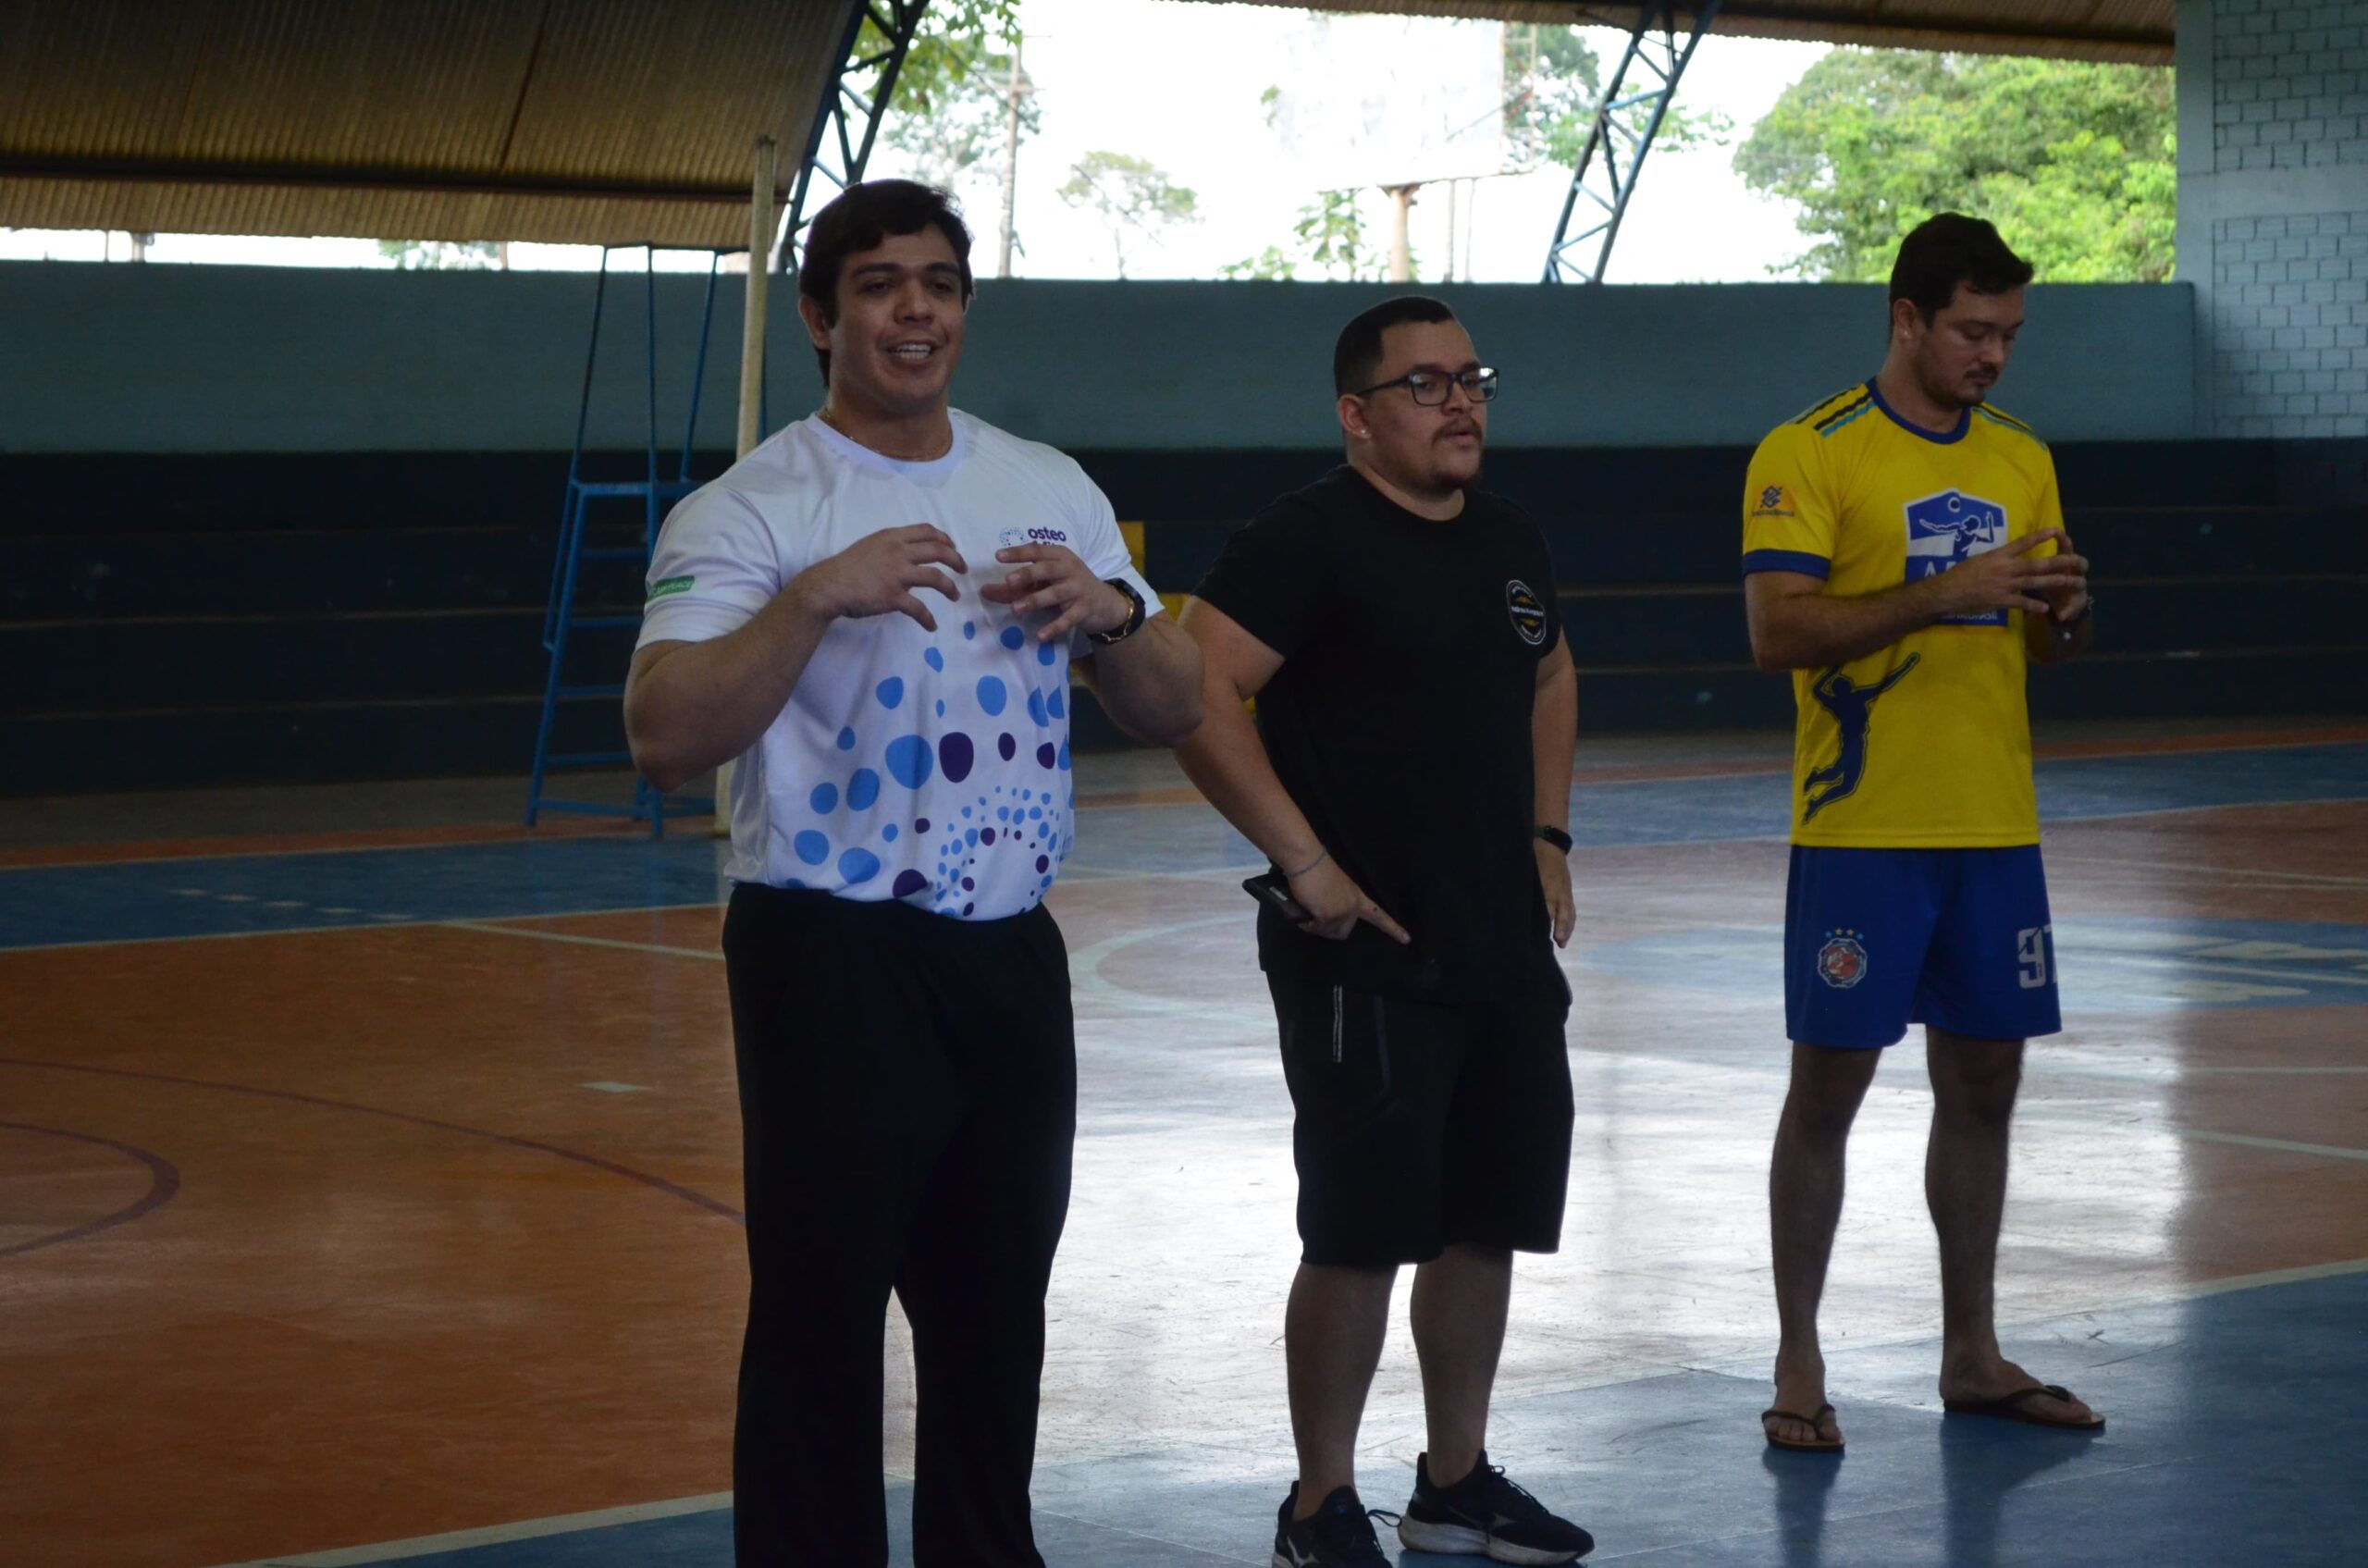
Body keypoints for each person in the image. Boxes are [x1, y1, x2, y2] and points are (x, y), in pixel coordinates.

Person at [622, 179, 1202, 1567]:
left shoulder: (1046, 484)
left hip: (1007, 954)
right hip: (829, 954)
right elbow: (660, 733)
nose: (915, 309)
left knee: (999, 1309)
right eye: (880, 284)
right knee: (821, 1321)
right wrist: (813, 596)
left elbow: (1176, 703)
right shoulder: (750, 507)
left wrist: (1115, 612)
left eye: (938, 282)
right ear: (822, 318)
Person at [1176, 296, 1594, 1567]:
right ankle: (1319, 1504)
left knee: (1487, 1216)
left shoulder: (1511, 537)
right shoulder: (1304, 542)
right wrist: (1302, 861)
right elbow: (1196, 687)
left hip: (1502, 946)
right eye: (1425, 385)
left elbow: (1553, 672)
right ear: (1358, 417)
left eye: (1472, 378)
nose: (1460, 401)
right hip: (1365, 952)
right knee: (1359, 1230)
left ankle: (1455, 1483)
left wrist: (1548, 834)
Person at [1740, 213, 2100, 1454]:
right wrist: (1945, 592)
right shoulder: (1811, 449)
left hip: (1995, 823)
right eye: (1970, 331)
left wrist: (2061, 611)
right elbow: (1778, 632)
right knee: (1829, 1089)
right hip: (1861, 830)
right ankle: (1798, 1358)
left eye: (2007, 335)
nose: (1992, 355)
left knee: (1988, 1082)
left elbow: (2047, 642)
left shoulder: (2021, 459)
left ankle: (1973, 1351)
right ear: (1907, 318)